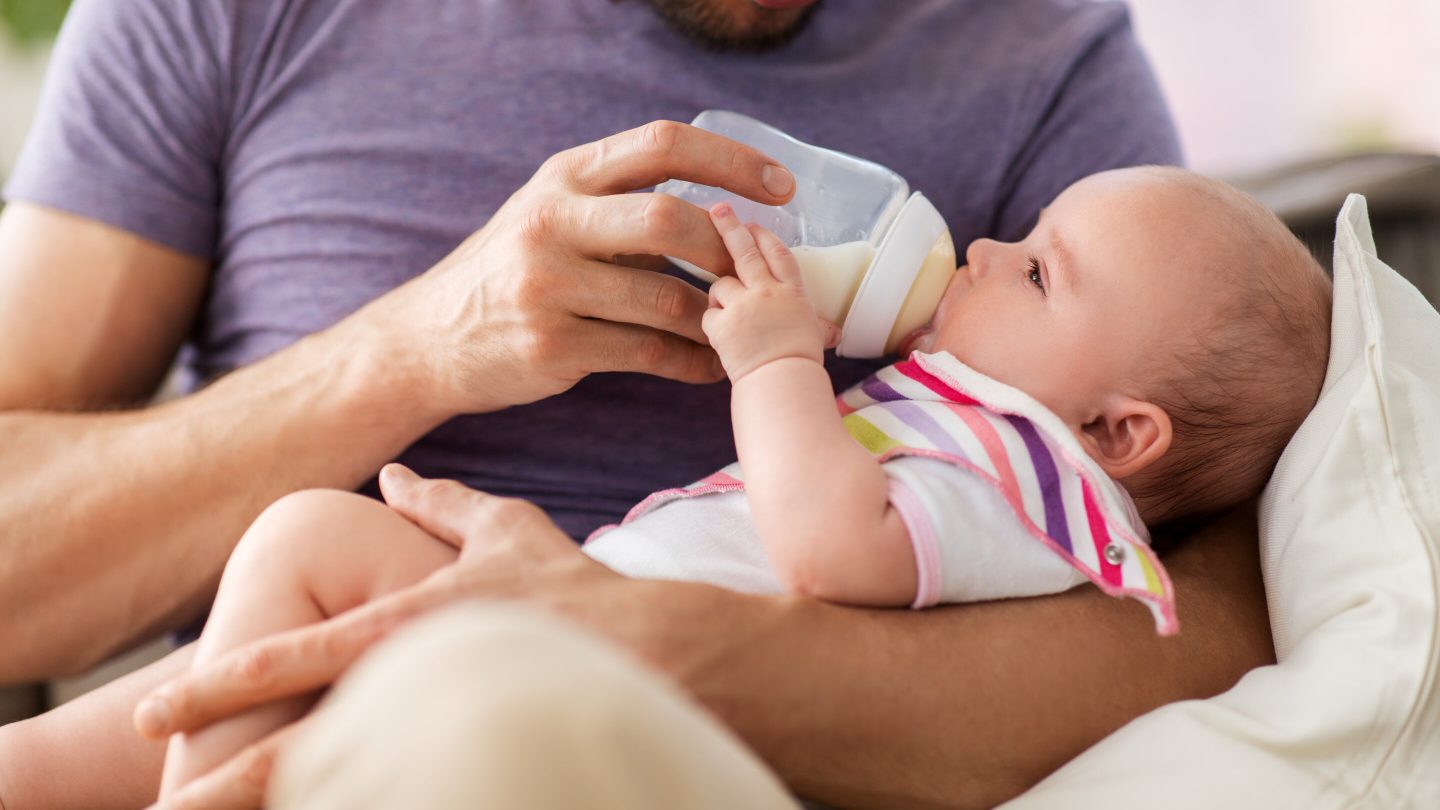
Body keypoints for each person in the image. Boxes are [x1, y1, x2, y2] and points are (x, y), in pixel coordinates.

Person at [0, 0, 1277, 807]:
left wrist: (662, 647)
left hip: (635, 725)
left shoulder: (1044, 58)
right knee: (283, 563)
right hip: (352, 660)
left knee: (474, 734)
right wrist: (418, 347)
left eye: (1034, 261)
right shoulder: (225, 18)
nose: (993, 252)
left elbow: (1222, 621)